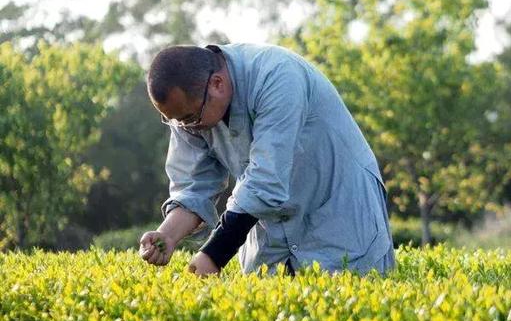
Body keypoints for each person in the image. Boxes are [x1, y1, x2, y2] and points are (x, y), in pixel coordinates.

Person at [138, 43, 395, 277]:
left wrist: (213, 255)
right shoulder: (188, 112)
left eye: (191, 118)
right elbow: (194, 186)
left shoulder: (278, 75)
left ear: (217, 84)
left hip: (339, 217)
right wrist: (167, 235)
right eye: (177, 121)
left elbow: (266, 179)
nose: (188, 128)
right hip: (273, 239)